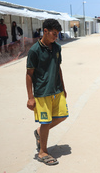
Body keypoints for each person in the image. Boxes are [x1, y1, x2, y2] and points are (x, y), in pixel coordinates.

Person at [26, 19, 69, 165]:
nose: (56, 37)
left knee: (62, 116)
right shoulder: (34, 50)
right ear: (45, 31)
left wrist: (63, 88)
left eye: (57, 34)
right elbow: (29, 74)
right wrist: (30, 97)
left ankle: (39, 133)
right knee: (46, 121)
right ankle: (42, 152)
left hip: (56, 90)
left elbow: (58, 68)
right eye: (54, 34)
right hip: (42, 92)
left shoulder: (57, 48)